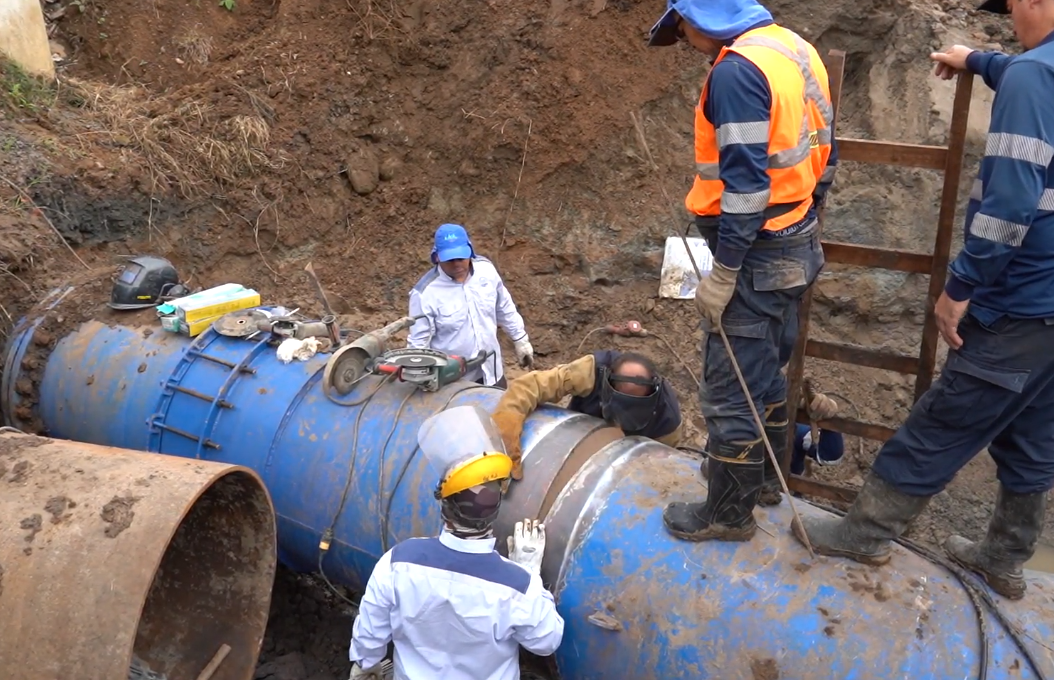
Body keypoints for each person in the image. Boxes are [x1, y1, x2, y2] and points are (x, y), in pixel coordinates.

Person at [792, 0, 1054, 601]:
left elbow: (1011, 205)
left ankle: (865, 533)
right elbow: (1027, 71)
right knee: (1034, 431)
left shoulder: (1033, 77)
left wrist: (960, 287)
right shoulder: (1034, 71)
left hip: (1019, 298)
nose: (1011, 16)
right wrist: (977, 60)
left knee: (943, 421)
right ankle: (1005, 557)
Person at [647, 0, 837, 542]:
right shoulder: (794, 49)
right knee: (768, 368)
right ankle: (764, 483)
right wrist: (806, 212)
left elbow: (748, 187)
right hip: (795, 240)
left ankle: (728, 514)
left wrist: (725, 271)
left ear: (700, 18)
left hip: (757, 254)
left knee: (731, 391)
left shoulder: (737, 72)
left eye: (682, 28)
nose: (685, 40)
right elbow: (825, 146)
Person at [348, 405, 565, 679]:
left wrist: (366, 663)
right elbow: (546, 642)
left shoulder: (396, 563)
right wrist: (529, 571)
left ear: (444, 507)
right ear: (496, 511)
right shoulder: (517, 586)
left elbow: (369, 637)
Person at [491, 350, 683, 479]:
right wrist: (506, 431)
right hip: (576, 438)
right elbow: (531, 386)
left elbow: (658, 471)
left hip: (626, 457)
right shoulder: (590, 371)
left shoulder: (667, 420)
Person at [408, 224, 534, 388]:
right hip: (454, 384)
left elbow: (504, 307)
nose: (457, 264)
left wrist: (520, 340)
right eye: (450, 260)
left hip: (492, 372)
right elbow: (419, 343)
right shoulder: (424, 294)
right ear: (437, 257)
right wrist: (420, 377)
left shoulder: (486, 271)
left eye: (461, 258)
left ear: (470, 251)